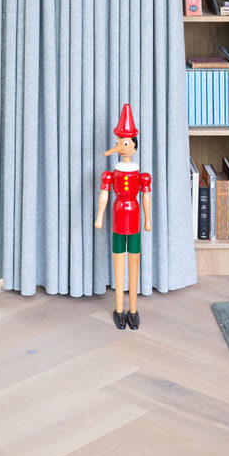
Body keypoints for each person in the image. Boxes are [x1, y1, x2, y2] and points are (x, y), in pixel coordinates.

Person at [94, 103, 152, 330]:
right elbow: (104, 195)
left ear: (134, 146)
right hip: (118, 219)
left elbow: (146, 197)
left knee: (134, 261)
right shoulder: (111, 173)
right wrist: (100, 217)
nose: (121, 146)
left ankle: (134, 309)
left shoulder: (141, 174)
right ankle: (119, 309)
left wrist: (147, 219)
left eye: (125, 142)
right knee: (119, 261)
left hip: (134, 219)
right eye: (119, 142)